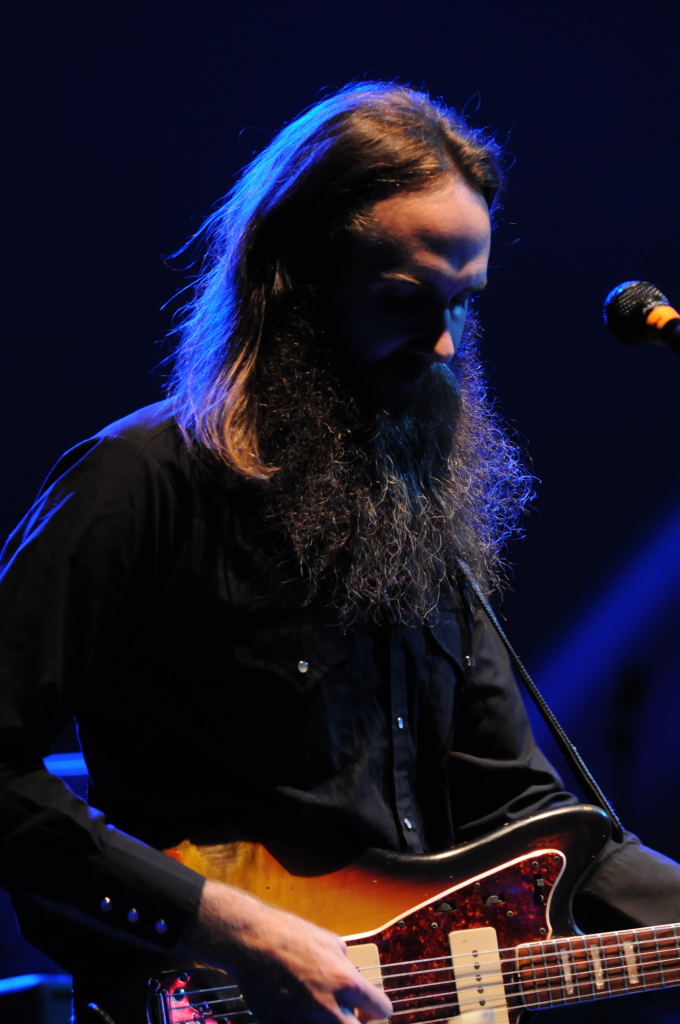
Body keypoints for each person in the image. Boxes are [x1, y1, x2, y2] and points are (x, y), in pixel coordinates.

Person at [1, 81, 680, 1024]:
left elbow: (526, 819)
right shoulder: (142, 480)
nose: (444, 345)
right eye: (405, 302)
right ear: (295, 282)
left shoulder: (416, 504)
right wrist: (222, 924)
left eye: (463, 305)